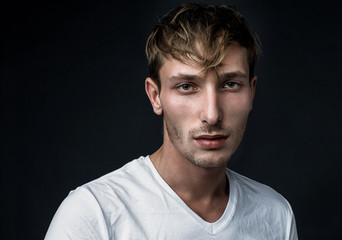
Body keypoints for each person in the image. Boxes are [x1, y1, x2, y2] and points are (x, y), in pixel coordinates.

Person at [45, 3, 298, 239]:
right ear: (156, 96)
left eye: (230, 84)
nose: (212, 114)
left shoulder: (275, 215)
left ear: (251, 92)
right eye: (187, 86)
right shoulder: (94, 214)